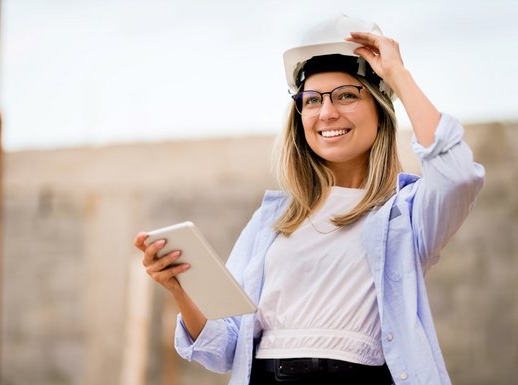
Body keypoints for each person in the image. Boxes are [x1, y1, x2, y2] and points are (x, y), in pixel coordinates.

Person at [134, 14, 485, 385]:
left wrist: (398, 74)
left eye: (347, 95)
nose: (327, 112)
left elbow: (457, 174)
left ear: (381, 111)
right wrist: (179, 289)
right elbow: (224, 348)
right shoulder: (272, 220)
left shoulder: (406, 212)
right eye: (312, 100)